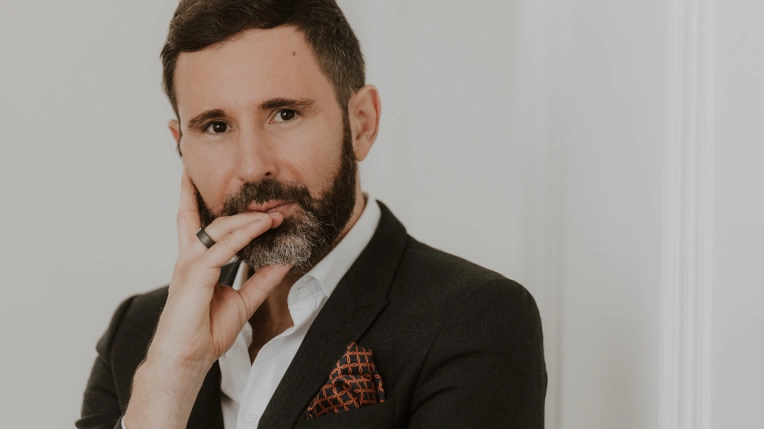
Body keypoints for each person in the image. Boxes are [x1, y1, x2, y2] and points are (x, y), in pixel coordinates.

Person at [76, 1, 547, 428]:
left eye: (284, 114)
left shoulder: (475, 318)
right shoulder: (140, 335)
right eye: (216, 126)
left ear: (361, 123)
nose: (252, 166)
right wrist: (171, 378)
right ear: (181, 145)